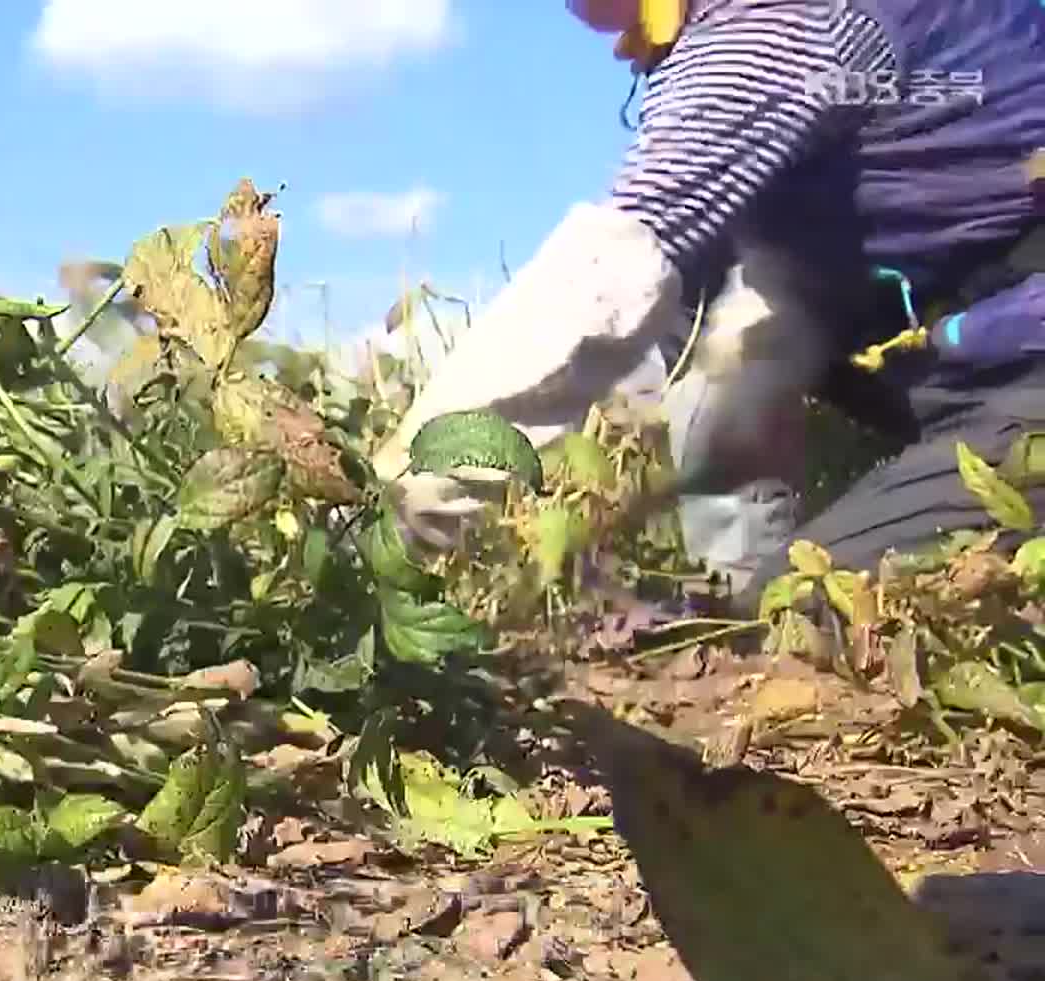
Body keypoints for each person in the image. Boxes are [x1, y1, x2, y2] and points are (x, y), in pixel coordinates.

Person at [370, 0, 1045, 611]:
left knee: (806, 621)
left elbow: (611, 268)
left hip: (1022, 358)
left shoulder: (779, 24)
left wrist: (405, 501)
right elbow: (701, 307)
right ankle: (742, 579)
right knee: (713, 290)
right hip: (957, 356)